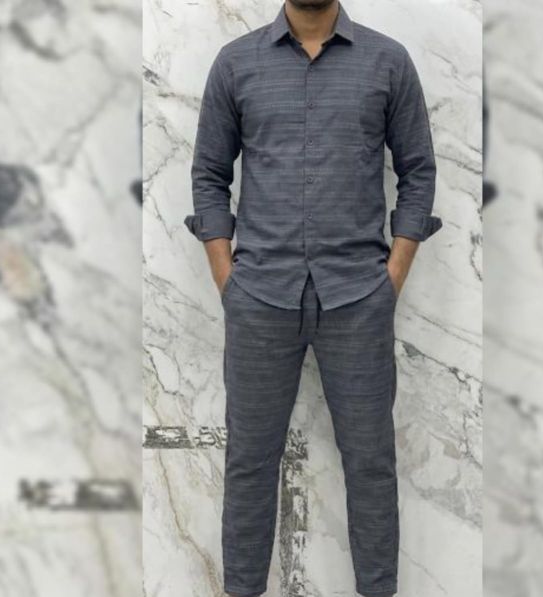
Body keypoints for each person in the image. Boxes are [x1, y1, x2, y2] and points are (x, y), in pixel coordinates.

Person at [184, 1, 441, 595]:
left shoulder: (388, 61)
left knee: (371, 465)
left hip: (358, 296)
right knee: (249, 464)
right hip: (259, 296)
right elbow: (209, 173)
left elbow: (419, 172)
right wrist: (228, 278)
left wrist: (391, 277)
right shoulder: (235, 63)